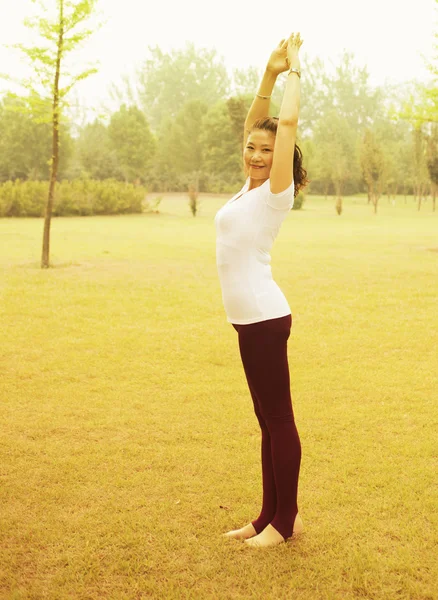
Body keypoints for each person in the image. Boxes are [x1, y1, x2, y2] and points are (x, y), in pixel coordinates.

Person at [214, 33, 308, 548]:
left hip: (265, 319)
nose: (254, 153)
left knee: (279, 419)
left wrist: (294, 72)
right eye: (251, 147)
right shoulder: (247, 187)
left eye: (266, 151)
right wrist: (267, 75)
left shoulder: (275, 193)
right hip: (247, 319)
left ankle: (285, 523)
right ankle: (266, 515)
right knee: (265, 422)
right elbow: (259, 122)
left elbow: (284, 123)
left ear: (281, 159)